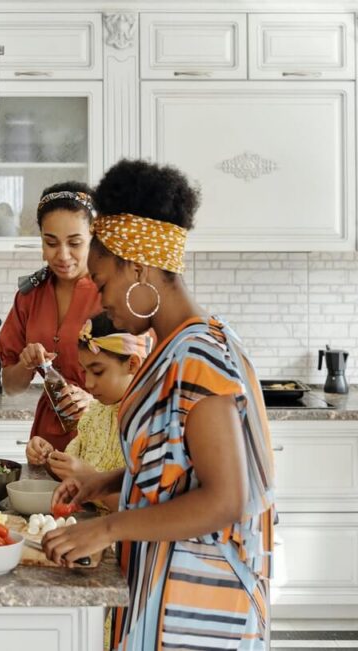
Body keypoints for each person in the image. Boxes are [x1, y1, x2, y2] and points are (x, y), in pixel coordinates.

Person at [42, 159, 276, 650]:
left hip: (200, 609)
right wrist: (106, 482)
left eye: (102, 282)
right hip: (171, 585)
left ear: (139, 268)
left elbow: (225, 499)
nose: (99, 300)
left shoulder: (197, 357)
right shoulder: (181, 346)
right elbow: (177, 468)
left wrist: (107, 528)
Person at [0, 182, 102, 453]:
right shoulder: (30, 295)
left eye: (75, 243)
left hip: (103, 436)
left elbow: (143, 380)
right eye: (51, 242)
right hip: (47, 442)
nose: (62, 255)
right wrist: (25, 364)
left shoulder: (112, 294)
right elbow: (11, 386)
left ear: (94, 237)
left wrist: (94, 402)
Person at [33, 314, 150, 513]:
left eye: (97, 372)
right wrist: (47, 456)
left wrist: (91, 480)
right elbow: (72, 475)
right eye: (85, 371)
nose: (88, 383)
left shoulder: (151, 421)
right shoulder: (94, 414)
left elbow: (147, 511)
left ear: (132, 364)